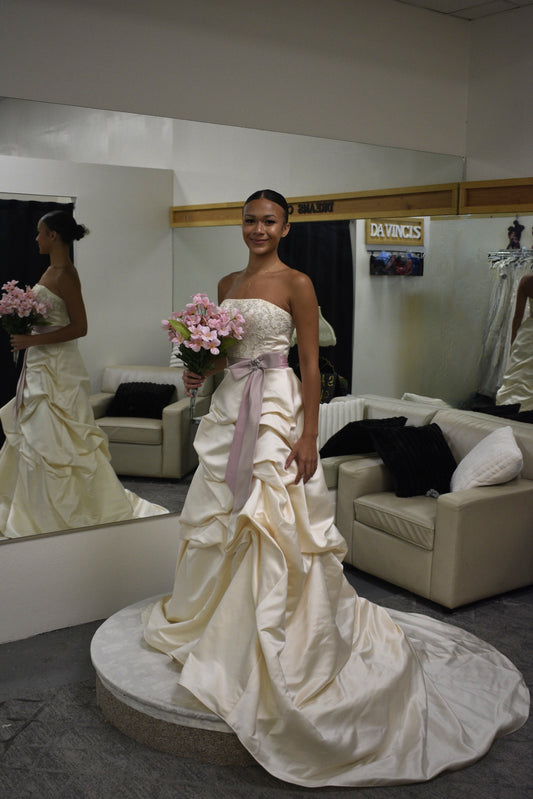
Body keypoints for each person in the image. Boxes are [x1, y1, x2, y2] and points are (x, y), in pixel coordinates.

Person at [143, 190, 528, 788]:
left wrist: (309, 434)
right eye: (249, 219)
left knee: (273, 520)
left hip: (275, 409)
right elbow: (222, 356)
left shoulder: (297, 283)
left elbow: (312, 365)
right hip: (228, 409)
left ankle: (273, 632)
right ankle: (213, 620)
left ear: (286, 226)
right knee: (220, 513)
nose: (257, 228)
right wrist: (200, 368)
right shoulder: (224, 281)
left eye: (269, 220)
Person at [0, 210, 166, 538]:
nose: (35, 238)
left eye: (40, 232)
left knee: (56, 440)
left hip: (58, 371)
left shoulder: (64, 274)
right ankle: (34, 508)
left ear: (54, 236)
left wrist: (31, 338)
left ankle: (60, 512)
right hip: (40, 366)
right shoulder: (52, 270)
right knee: (36, 440)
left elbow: (80, 327)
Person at [496, 273, 533, 411]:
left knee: (519, 376)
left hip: (528, 335)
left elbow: (518, 317)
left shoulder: (527, 281)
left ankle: (510, 409)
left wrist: (513, 341)